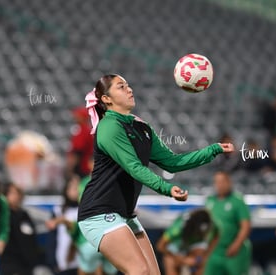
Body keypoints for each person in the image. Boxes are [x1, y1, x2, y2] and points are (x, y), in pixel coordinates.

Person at [77, 74, 234, 275]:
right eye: (121, 86)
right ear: (106, 98)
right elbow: (134, 167)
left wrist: (213, 150)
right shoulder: (109, 126)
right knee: (139, 271)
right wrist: (167, 188)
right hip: (98, 213)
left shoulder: (142, 127)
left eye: (129, 85)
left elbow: (173, 162)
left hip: (123, 215)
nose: (129, 89)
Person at [204, 171, 251, 275]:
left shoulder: (237, 200)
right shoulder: (210, 201)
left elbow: (245, 226)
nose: (219, 185)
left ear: (229, 182)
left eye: (222, 181)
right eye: (217, 182)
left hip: (233, 251)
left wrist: (236, 245)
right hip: (214, 251)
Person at [156, 208, 213, 275]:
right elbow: (160, 246)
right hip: (173, 250)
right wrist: (182, 259)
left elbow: (216, 235)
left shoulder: (209, 226)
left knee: (201, 262)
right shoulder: (178, 228)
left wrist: (199, 260)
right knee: (170, 262)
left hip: (188, 248)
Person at [0, 183, 40, 275]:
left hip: (27, 263)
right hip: (11, 263)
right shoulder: (4, 216)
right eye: (12, 193)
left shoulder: (24, 215)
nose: (16, 196)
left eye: (18, 193)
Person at [67, 107, 94, 178]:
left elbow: (77, 151)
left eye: (78, 115)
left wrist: (70, 167)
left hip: (82, 167)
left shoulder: (83, 131)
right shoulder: (85, 130)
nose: (75, 117)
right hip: (85, 166)